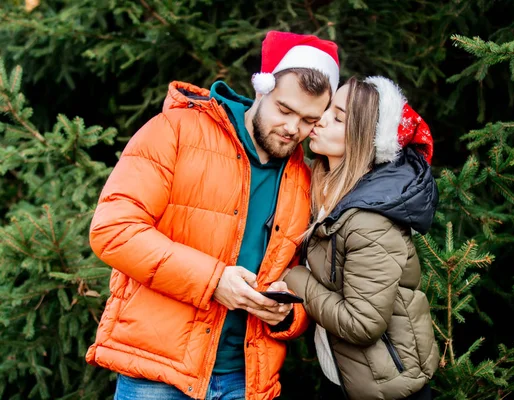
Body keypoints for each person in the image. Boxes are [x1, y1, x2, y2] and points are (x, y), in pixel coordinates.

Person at [85, 31, 340, 400]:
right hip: (158, 375)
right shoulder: (174, 131)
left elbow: (309, 278)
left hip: (247, 378)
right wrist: (214, 280)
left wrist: (287, 318)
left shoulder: (308, 178)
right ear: (261, 90)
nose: (292, 129)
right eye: (284, 110)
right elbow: (114, 230)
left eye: (307, 120)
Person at [284, 76, 440, 400]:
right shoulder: (324, 188)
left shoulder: (370, 221)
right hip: (345, 377)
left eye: (338, 117)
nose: (321, 118)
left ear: (365, 138)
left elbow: (362, 323)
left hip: (388, 388)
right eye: (327, 109)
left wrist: (293, 278)